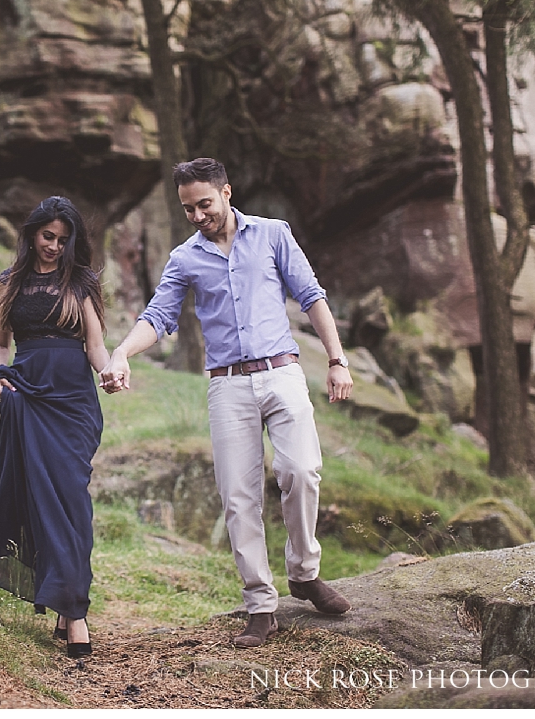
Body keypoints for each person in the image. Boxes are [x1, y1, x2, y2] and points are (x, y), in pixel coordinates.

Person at [100, 157, 354, 648]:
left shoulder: (273, 234)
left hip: (282, 373)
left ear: (226, 192)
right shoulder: (184, 259)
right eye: (188, 208)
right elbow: (158, 316)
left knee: (301, 472)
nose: (197, 215)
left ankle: (304, 574)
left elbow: (312, 296)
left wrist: (337, 360)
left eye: (204, 204)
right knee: (239, 498)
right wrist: (122, 352)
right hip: (228, 386)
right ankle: (260, 605)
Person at [0, 196, 109, 659]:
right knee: (41, 501)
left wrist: (111, 372)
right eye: (47, 236)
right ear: (32, 233)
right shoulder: (9, 283)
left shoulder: (80, 282)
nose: (53, 246)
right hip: (26, 395)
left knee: (71, 499)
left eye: (63, 240)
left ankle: (66, 597)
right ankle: (75, 612)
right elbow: (0, 346)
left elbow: (95, 346)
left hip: (72, 400)